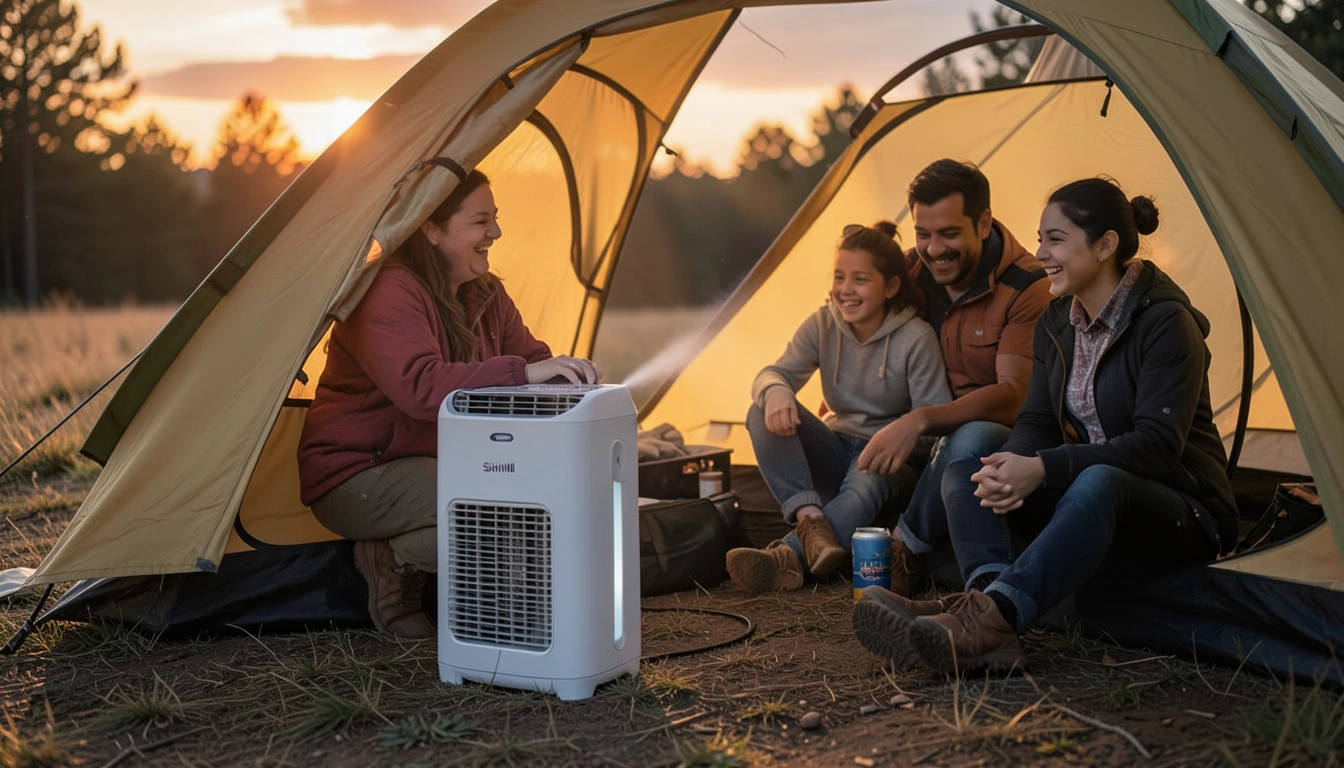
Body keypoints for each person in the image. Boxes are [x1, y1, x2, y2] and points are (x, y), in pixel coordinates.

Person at [854, 178, 1237, 674]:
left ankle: (993, 618)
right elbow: (1035, 418)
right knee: (968, 468)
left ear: (1104, 246)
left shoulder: (1164, 322)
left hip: (1183, 512)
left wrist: (1043, 467)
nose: (1040, 253)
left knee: (1099, 481)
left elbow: (1158, 447)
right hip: (1101, 501)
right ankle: (986, 610)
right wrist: (1011, 464)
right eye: (1040, 239)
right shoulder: (1059, 318)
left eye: (1055, 240)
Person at [297, 170, 601, 639]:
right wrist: (520, 373)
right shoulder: (387, 290)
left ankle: (507, 614)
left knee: (529, 500)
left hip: (440, 464)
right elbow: (420, 386)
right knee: (497, 511)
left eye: (495, 219)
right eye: (481, 221)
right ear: (431, 229)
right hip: (356, 471)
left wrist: (572, 383)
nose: (495, 233)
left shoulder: (486, 294)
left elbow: (537, 361)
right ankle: (390, 559)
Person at [855, 159, 1052, 597]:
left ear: (983, 223)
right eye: (923, 234)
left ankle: (905, 548)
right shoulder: (909, 270)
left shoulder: (1026, 286)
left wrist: (921, 420)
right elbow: (851, 312)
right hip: (916, 439)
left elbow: (1012, 398)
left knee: (971, 436)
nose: (934, 249)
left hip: (993, 441)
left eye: (948, 234)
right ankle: (800, 548)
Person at [724, 222, 952, 594]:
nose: (846, 289)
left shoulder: (916, 338)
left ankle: (786, 559)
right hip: (836, 444)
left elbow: (934, 421)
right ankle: (811, 521)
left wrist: (902, 440)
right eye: (839, 277)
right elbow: (772, 373)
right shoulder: (822, 324)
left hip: (887, 458)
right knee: (760, 410)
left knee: (861, 487)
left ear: (890, 286)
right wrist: (777, 390)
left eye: (860, 279)